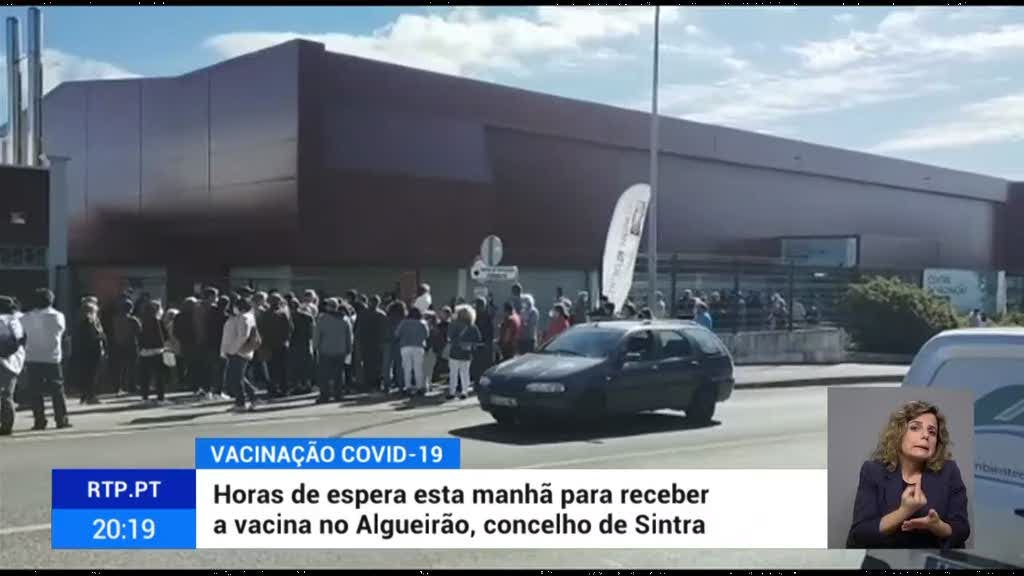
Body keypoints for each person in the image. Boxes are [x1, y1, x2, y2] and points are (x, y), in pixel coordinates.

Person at [846, 400, 970, 549]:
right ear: (898, 434)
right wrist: (904, 511)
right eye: (915, 428)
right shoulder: (873, 471)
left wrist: (938, 526)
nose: (926, 435)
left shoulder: (949, 471)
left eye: (932, 432)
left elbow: (962, 529)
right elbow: (860, 534)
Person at [21, 288, 70, 430]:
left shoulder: (25, 318)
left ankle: (39, 420)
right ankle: (61, 419)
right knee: (57, 389)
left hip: (32, 356)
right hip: (52, 357)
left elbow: (22, 334)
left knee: (35, 391)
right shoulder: (58, 316)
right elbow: (61, 332)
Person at [221, 294, 261, 412]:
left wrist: (233, 349)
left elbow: (243, 336)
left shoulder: (244, 318)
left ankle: (241, 402)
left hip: (239, 352)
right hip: (238, 351)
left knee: (235, 378)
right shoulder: (241, 317)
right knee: (239, 377)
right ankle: (253, 397)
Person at [316, 298, 353, 403]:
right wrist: (349, 349)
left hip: (325, 350)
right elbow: (349, 336)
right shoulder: (345, 319)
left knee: (324, 374)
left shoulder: (322, 319)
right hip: (340, 350)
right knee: (339, 374)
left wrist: (315, 346)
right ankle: (338, 394)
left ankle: (325, 395)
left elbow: (317, 334)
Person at [0, 295, 26, 435]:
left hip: (4, 361)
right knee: (7, 395)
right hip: (13, 363)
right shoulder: (17, 320)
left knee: (5, 396)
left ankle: (6, 425)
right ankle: (6, 425)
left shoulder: (4, 320)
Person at [74, 301, 107, 405]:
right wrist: (101, 336)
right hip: (93, 350)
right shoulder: (90, 322)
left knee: (86, 374)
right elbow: (94, 336)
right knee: (92, 374)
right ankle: (91, 396)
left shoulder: (82, 321)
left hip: (85, 350)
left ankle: (85, 395)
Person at [447, 305, 481, 400]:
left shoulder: (454, 324)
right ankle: (464, 392)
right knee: (465, 373)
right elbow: (478, 339)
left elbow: (449, 336)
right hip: (467, 352)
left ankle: (452, 392)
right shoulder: (473, 326)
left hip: (455, 351)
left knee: (453, 373)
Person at [137, 300, 168, 404]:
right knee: (159, 376)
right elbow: (162, 335)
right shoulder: (156, 321)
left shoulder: (141, 320)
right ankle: (160, 398)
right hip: (157, 351)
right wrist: (164, 345)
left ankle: (145, 398)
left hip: (144, 351)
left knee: (145, 376)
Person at [396, 306, 429, 396]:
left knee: (407, 368)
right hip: (418, 347)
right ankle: (419, 387)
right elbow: (426, 335)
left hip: (405, 346)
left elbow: (397, 334)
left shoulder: (403, 323)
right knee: (418, 368)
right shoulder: (422, 323)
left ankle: (408, 387)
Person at [471, 297, 495, 382]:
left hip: (483, 344)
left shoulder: (484, 316)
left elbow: (487, 331)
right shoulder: (480, 315)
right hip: (481, 344)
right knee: (478, 366)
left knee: (481, 366)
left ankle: (479, 381)